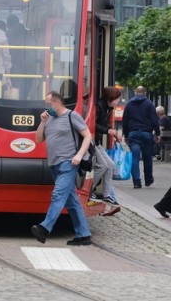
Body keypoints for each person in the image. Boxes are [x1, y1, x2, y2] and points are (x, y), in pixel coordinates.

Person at [30, 91, 93, 246]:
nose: (46, 106)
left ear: (57, 102)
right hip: (54, 164)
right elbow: (38, 139)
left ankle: (45, 228)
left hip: (68, 162)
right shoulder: (49, 118)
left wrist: (78, 155)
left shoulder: (72, 116)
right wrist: (42, 122)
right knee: (71, 201)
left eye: (48, 102)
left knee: (58, 195)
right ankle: (83, 235)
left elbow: (88, 136)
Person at [122, 86, 160, 188]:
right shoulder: (149, 104)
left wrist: (125, 134)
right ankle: (148, 180)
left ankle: (136, 182)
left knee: (134, 158)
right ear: (145, 93)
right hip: (146, 134)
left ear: (135, 92)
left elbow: (125, 121)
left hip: (133, 134)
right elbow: (154, 120)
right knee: (147, 158)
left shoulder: (129, 104)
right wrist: (157, 133)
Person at [93, 86, 122, 205]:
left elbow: (103, 125)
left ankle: (107, 194)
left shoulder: (107, 107)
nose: (118, 101)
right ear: (112, 98)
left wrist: (112, 131)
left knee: (110, 165)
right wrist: (108, 131)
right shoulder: (100, 106)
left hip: (97, 141)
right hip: (92, 141)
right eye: (118, 99)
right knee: (103, 165)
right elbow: (93, 125)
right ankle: (88, 189)